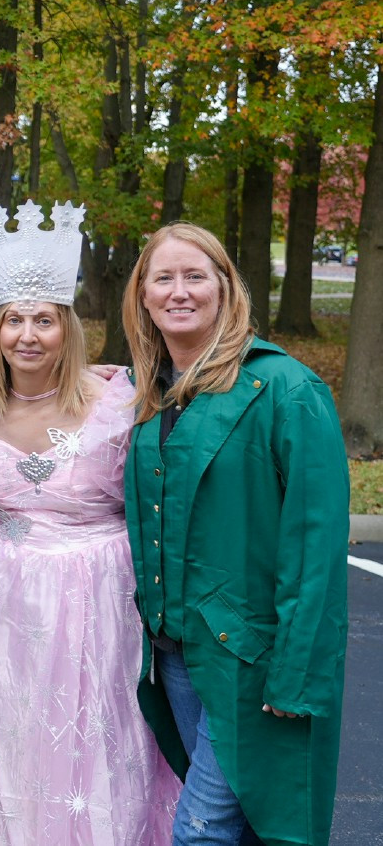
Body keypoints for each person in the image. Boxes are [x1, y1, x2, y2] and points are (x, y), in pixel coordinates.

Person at [0, 201, 179, 844]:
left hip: (98, 590)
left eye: (43, 320)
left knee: (99, 729)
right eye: (14, 320)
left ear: (66, 328)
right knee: (10, 727)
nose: (27, 335)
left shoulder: (119, 399)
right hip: (3, 591)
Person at [122, 223, 349, 846]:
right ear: (142, 294)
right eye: (162, 278)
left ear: (226, 288)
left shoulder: (286, 390)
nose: (179, 291)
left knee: (201, 830)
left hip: (252, 662)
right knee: (238, 825)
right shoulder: (151, 395)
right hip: (173, 656)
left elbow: (316, 547)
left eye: (195, 276)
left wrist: (297, 673)